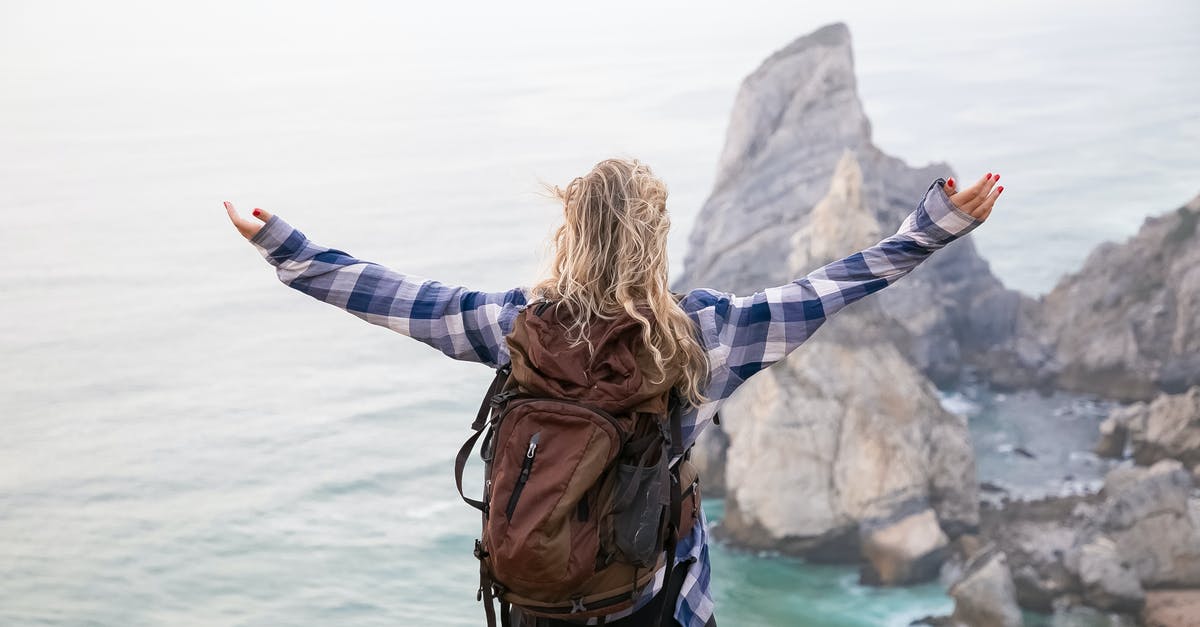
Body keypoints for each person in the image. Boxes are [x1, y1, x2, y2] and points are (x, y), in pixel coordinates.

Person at [224, 158, 1002, 627]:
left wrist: (284, 247)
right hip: (657, 609)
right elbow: (833, 286)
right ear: (655, 239)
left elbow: (397, 297)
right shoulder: (701, 338)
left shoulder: (516, 326)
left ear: (571, 232)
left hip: (542, 605)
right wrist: (933, 225)